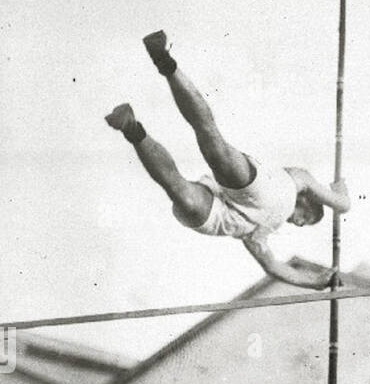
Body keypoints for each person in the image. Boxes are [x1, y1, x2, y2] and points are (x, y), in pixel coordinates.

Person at [105, 31, 350, 288]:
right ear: (307, 205)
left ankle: (131, 127)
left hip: (226, 215)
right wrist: (339, 189)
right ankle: (164, 62)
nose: (298, 224)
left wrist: (317, 282)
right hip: (264, 192)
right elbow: (342, 204)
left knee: (184, 192)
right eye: (306, 220)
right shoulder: (299, 180)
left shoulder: (259, 237)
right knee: (211, 143)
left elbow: (274, 268)